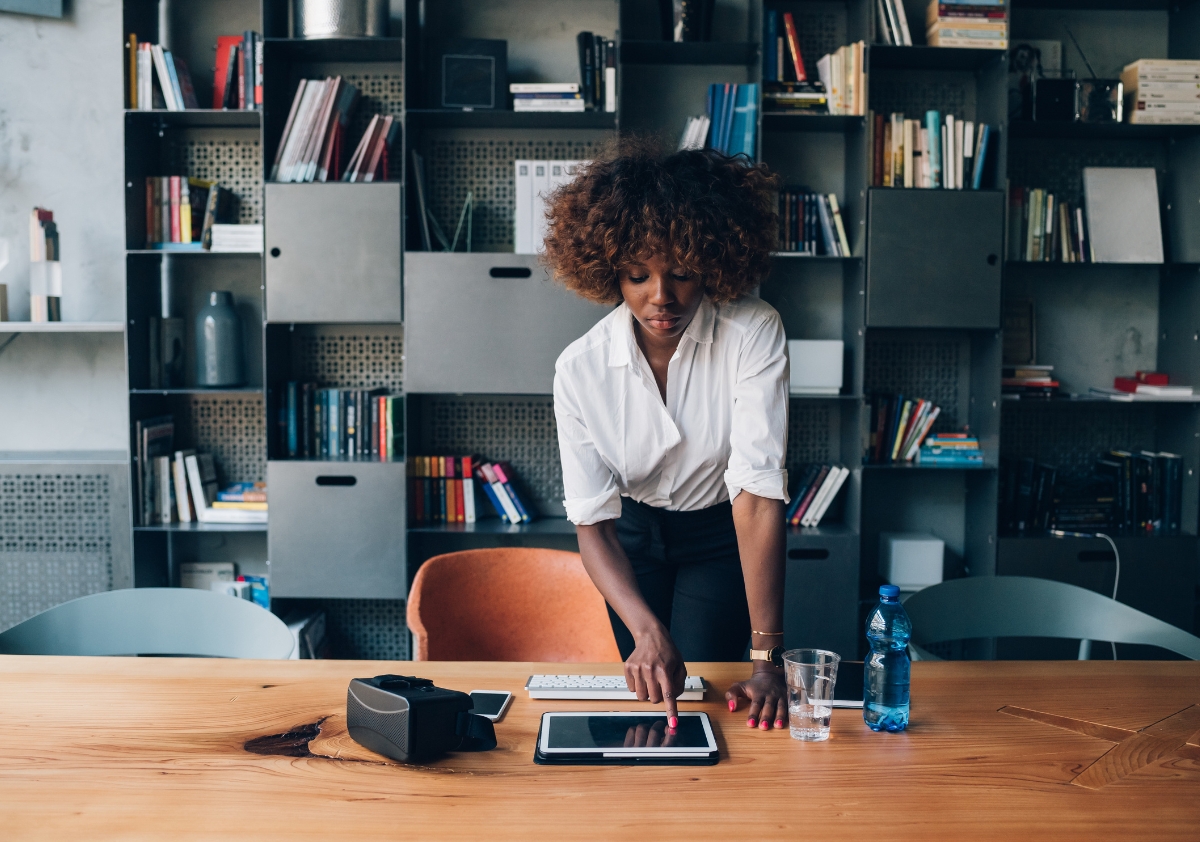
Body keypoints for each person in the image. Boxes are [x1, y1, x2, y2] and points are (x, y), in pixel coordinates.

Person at [543, 141, 791, 733]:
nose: (662, 296)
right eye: (638, 275)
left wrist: (768, 660)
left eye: (682, 272)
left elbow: (756, 494)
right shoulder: (578, 369)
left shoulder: (752, 331)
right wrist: (646, 629)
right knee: (653, 690)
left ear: (712, 261)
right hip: (629, 539)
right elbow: (593, 524)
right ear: (608, 273)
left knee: (707, 693)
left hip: (719, 533)